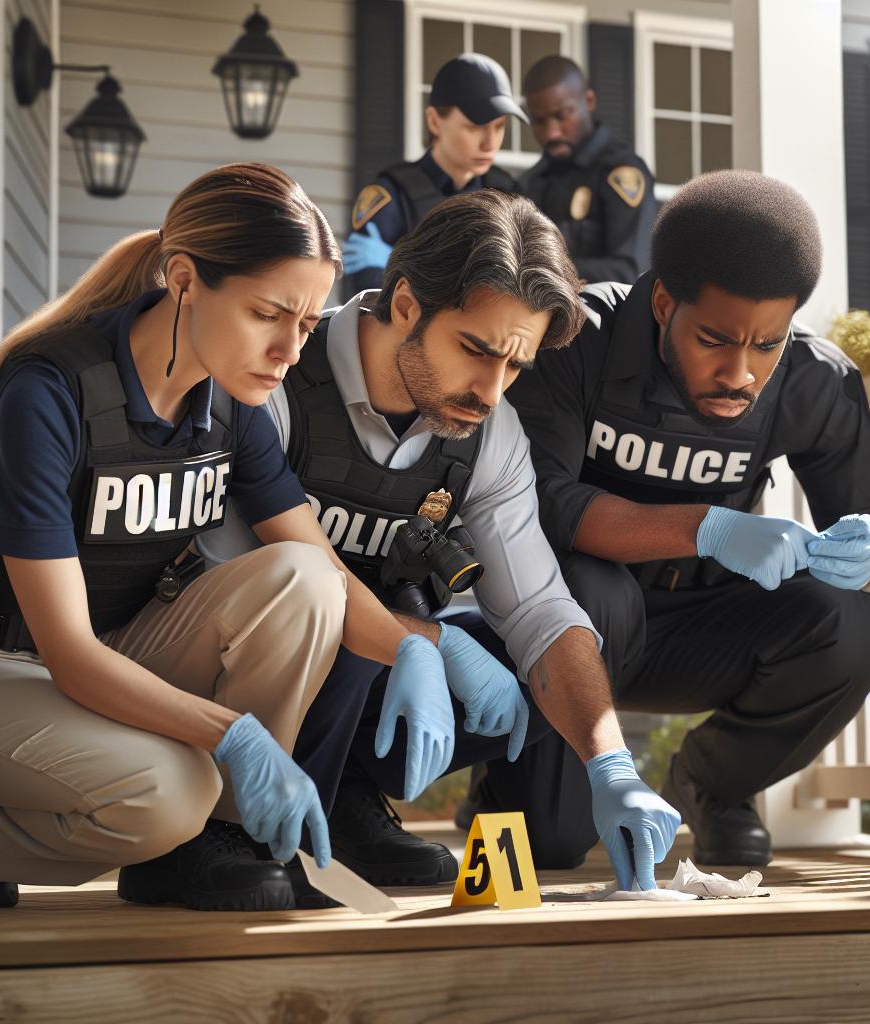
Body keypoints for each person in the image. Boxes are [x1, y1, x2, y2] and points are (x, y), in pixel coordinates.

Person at [0, 163, 517, 913]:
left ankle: (220, 848)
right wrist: (235, 736)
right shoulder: (50, 393)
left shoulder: (233, 408)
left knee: (301, 576)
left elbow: (321, 571)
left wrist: (424, 648)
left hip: (112, 652)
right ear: (185, 280)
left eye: (305, 324)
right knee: (170, 792)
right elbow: (66, 652)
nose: (291, 350)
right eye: (269, 314)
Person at [201, 189, 681, 893]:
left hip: (361, 674)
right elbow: (232, 582)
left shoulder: (490, 433)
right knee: (326, 607)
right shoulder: (275, 384)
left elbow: (539, 608)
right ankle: (224, 828)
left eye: (514, 367)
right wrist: (427, 643)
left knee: (551, 651)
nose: (491, 390)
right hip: (231, 676)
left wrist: (611, 765)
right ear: (405, 305)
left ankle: (347, 799)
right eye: (476, 350)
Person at [475, 169, 870, 867]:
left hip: (705, 629)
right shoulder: (575, 340)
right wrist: (705, 525)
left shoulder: (816, 379)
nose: (742, 371)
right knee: (549, 842)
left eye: (768, 343)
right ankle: (510, 786)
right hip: (574, 627)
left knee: (853, 625)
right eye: (716, 339)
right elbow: (539, 504)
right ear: (664, 301)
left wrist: (867, 551)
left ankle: (712, 786)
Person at [341, 52, 524, 293]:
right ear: (434, 121)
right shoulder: (391, 196)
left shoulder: (508, 195)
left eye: (499, 127)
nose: (490, 143)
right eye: (475, 127)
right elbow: (366, 299)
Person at [521, 55, 656, 286]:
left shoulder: (621, 173)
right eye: (539, 121)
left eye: (562, 116)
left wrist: (543, 269)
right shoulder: (532, 182)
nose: (552, 132)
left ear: (589, 100)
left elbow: (631, 271)